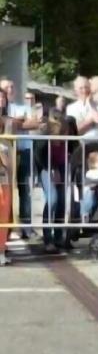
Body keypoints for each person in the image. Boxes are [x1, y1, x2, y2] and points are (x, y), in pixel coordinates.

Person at [34, 109, 78, 253]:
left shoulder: (69, 129)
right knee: (52, 199)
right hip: (46, 166)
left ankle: (59, 237)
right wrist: (51, 169)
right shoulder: (45, 134)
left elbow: (74, 147)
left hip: (63, 165)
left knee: (62, 201)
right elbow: (39, 155)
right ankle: (48, 238)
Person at [2, 78, 41, 239]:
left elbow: (35, 123)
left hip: (23, 150)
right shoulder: (3, 109)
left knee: (25, 190)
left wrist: (14, 123)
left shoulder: (22, 107)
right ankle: (8, 229)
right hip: (6, 154)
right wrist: (19, 121)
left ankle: (27, 227)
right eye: (6, 88)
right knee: (6, 192)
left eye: (12, 86)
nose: (10, 90)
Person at [0, 114, 13, 265]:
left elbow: (8, 166)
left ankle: (1, 252)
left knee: (3, 220)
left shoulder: (4, 144)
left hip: (3, 183)